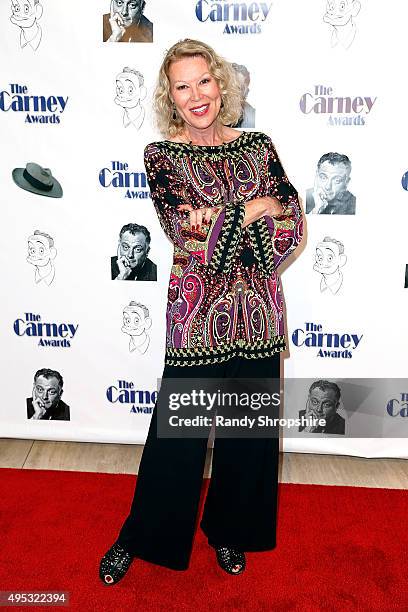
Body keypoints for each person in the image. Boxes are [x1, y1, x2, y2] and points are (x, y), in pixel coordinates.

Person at [99, 38, 304, 585]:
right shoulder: (160, 157)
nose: (196, 96)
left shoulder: (259, 145)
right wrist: (256, 209)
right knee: (178, 439)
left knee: (248, 435)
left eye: (204, 81)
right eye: (182, 86)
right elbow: (185, 229)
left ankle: (229, 531)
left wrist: (242, 218)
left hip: (258, 313)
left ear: (221, 82)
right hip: (195, 317)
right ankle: (138, 535)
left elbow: (292, 222)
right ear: (170, 97)